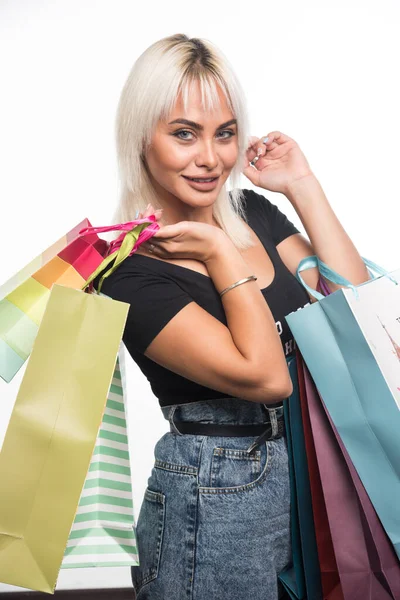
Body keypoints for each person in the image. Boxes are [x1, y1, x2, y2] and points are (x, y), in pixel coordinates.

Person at [93, 33, 369, 600]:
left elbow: (359, 313)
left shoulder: (253, 214)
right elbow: (268, 379)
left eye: (224, 134)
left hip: (310, 469)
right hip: (214, 493)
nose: (210, 158)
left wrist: (301, 184)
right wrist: (220, 255)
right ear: (140, 138)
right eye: (183, 134)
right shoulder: (125, 274)